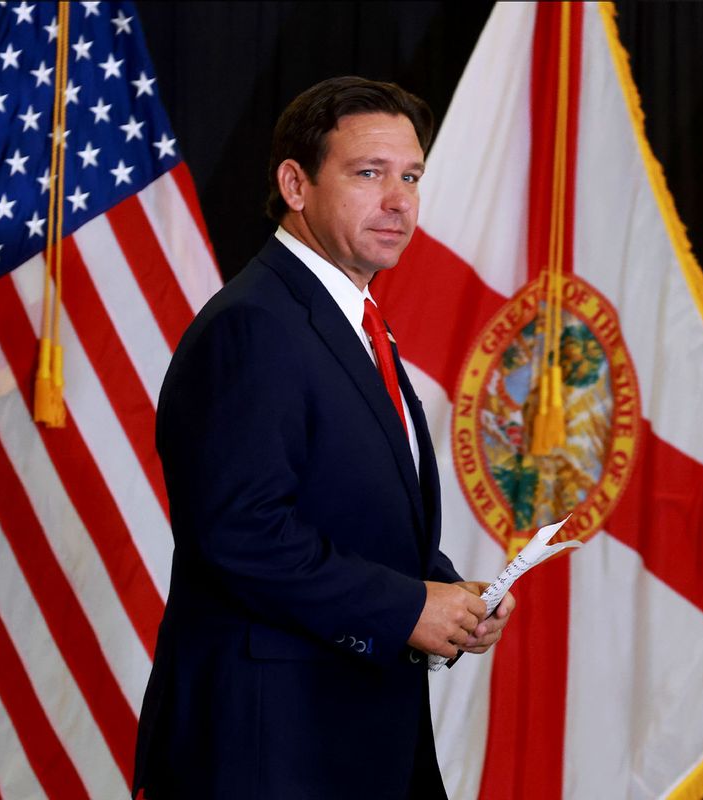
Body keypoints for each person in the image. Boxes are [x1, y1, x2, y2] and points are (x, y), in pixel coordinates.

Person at [133, 76, 516, 800]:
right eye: (369, 174)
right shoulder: (255, 324)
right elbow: (241, 531)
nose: (399, 201)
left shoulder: (352, 316)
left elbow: (345, 509)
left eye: (410, 177)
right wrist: (406, 609)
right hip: (271, 748)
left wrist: (443, 594)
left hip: (357, 733)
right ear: (295, 184)